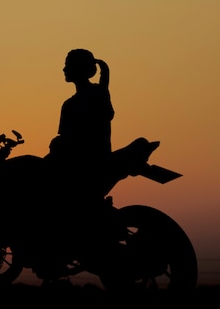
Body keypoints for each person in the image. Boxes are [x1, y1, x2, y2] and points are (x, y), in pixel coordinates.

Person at [40, 48, 158, 280]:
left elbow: (68, 138)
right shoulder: (82, 99)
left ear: (79, 69)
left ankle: (56, 245)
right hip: (87, 163)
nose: (64, 69)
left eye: (67, 64)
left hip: (85, 166)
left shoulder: (90, 97)